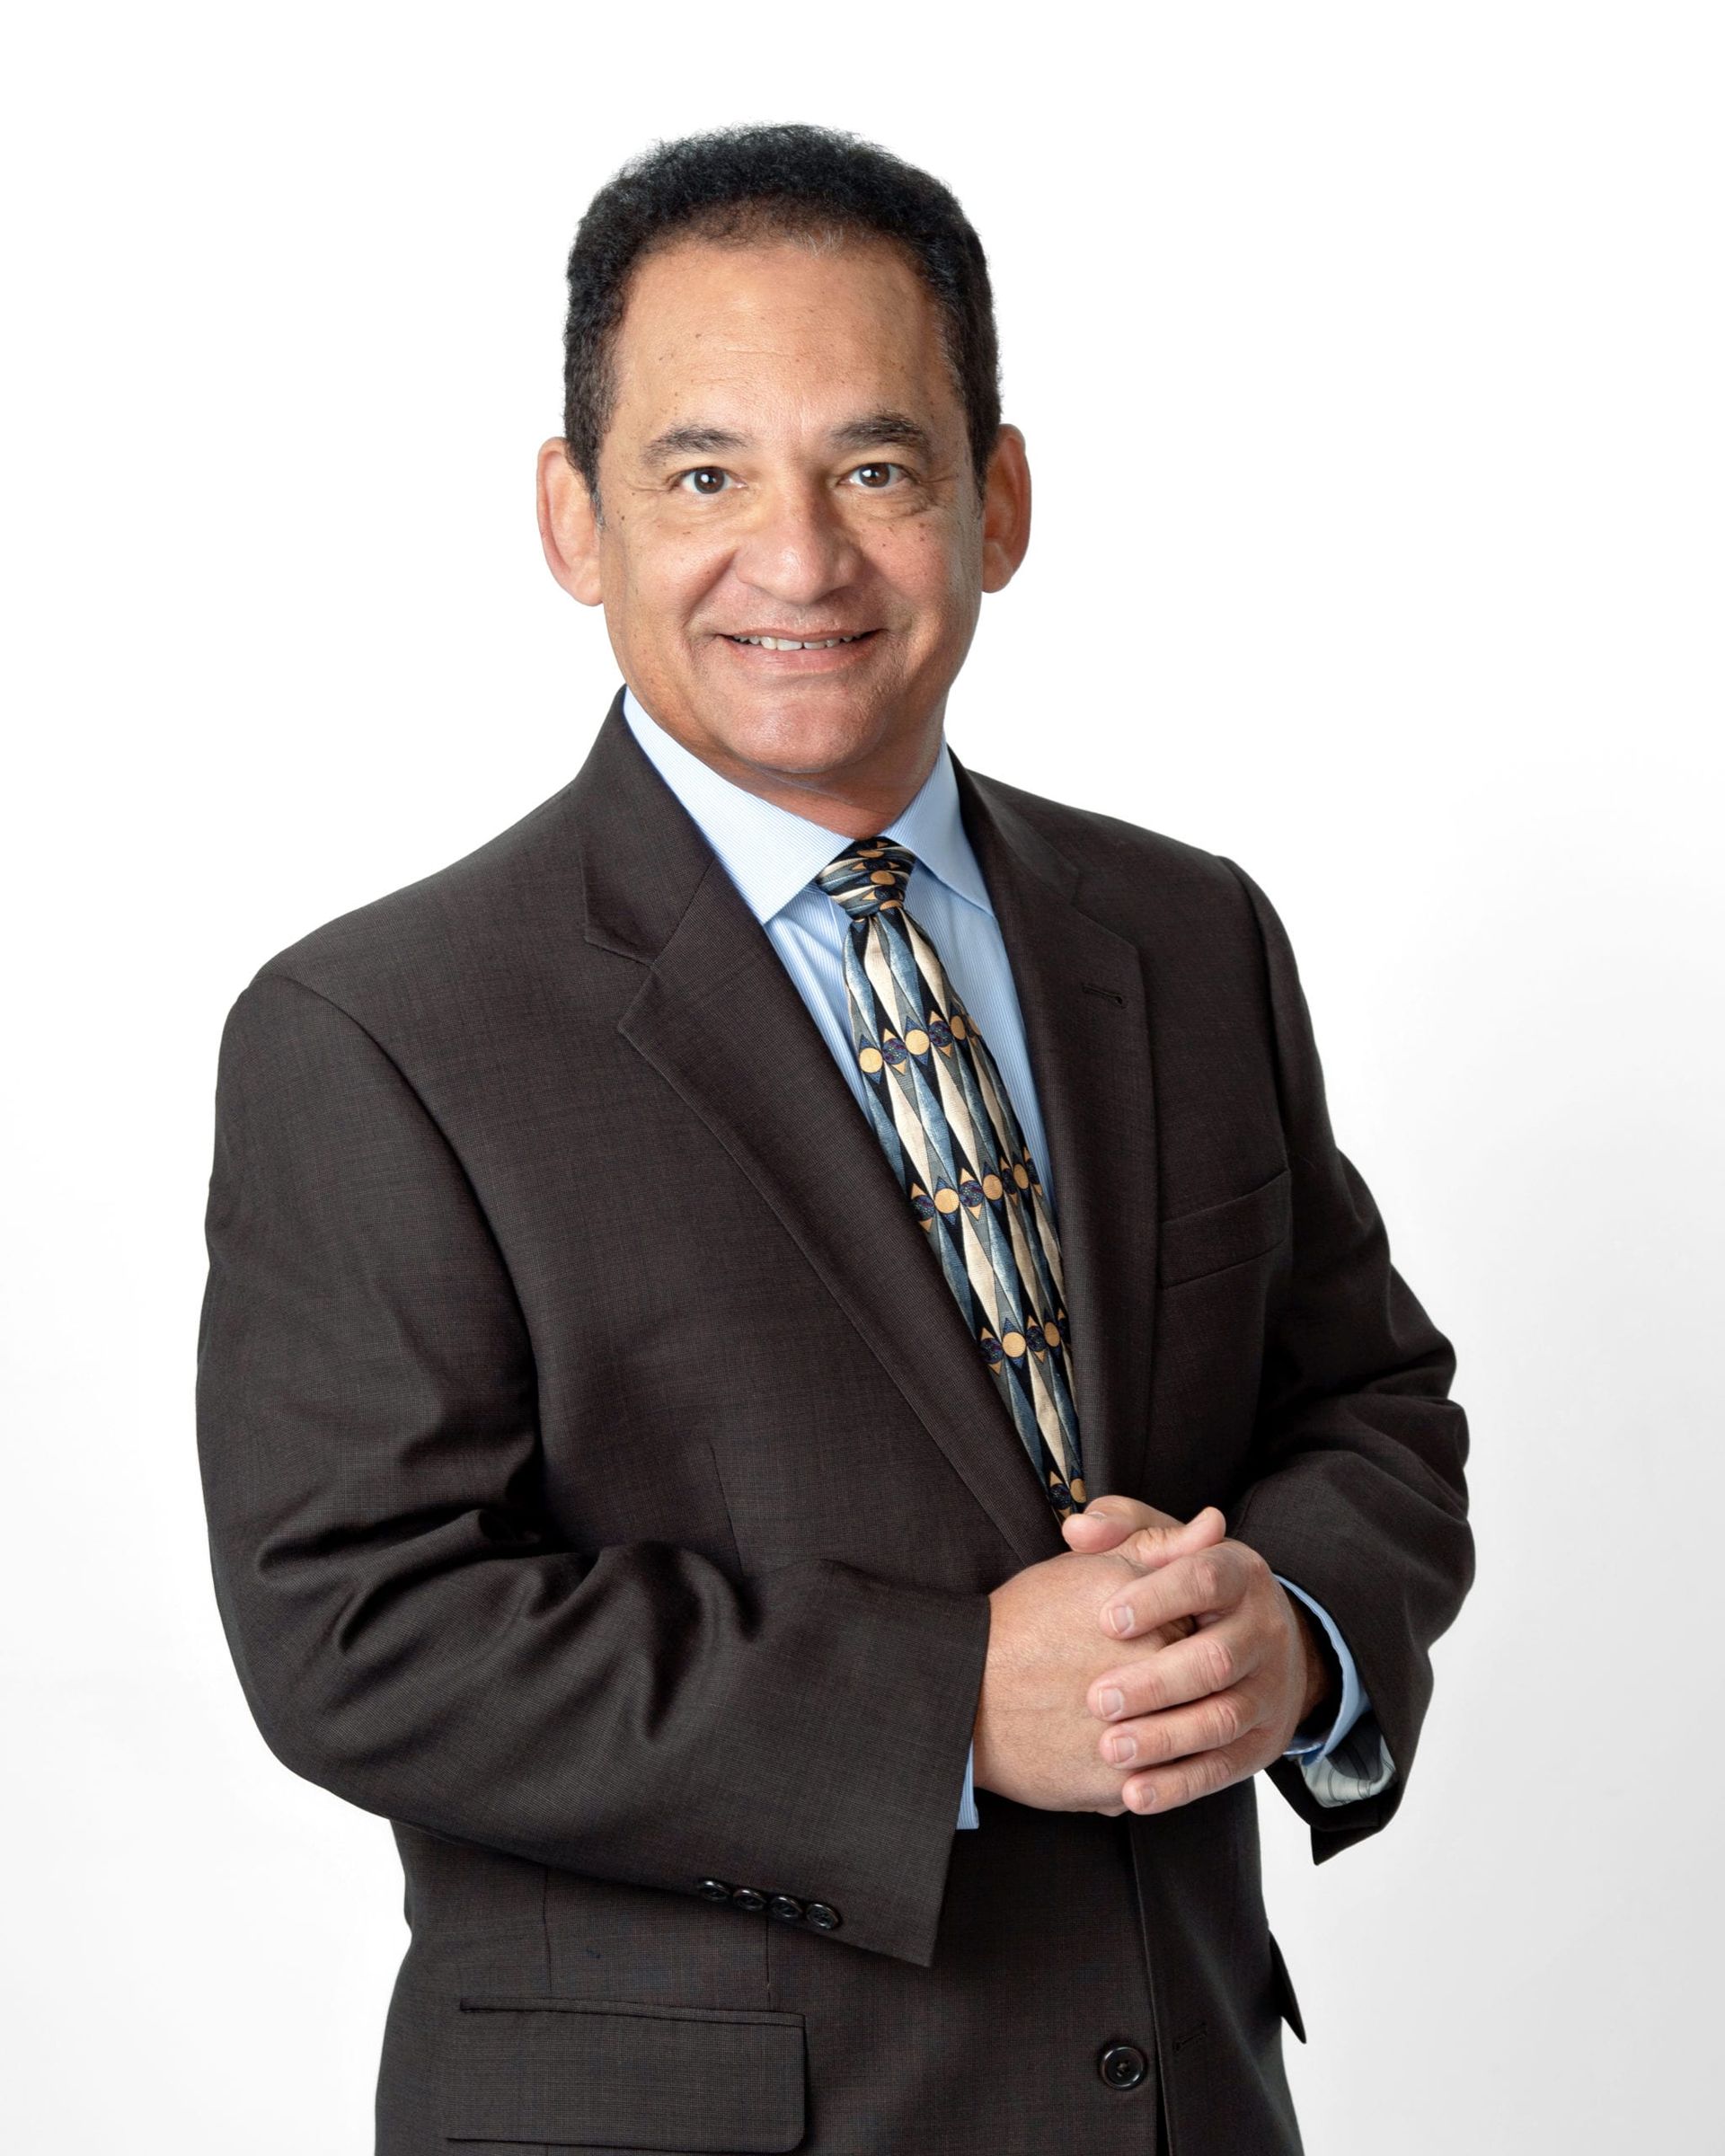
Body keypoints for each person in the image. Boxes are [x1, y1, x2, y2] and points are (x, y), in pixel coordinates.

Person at [195, 122, 1473, 2156]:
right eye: (703, 475)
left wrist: (1290, 1632)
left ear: (1000, 500)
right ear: (572, 519)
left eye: (876, 469)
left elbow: (1373, 1406)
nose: (797, 562)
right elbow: (361, 1634)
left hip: (1182, 2098)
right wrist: (949, 1705)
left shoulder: (1186, 929)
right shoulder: (378, 1030)